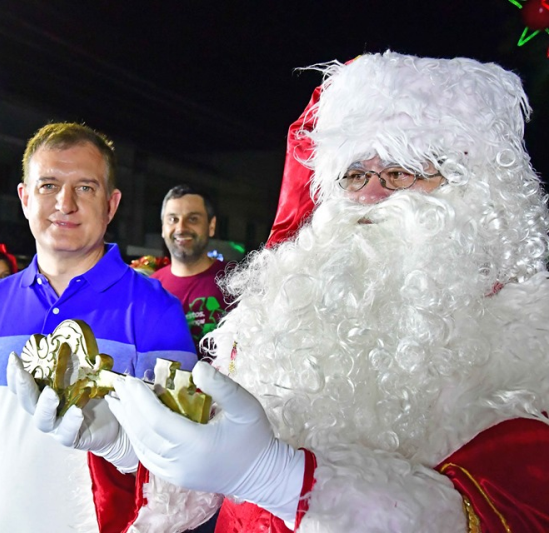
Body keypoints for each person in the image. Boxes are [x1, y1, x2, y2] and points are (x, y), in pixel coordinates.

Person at [106, 52, 549, 532]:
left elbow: (504, 511)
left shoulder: (525, 340)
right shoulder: (284, 310)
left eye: (400, 172)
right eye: (355, 175)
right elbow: (216, 458)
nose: (369, 195)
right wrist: (129, 447)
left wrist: (283, 479)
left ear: (473, 191)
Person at [0, 122, 214, 533]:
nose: (64, 204)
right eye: (48, 185)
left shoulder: (154, 310)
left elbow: (186, 464)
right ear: (25, 198)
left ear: (111, 204)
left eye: (85, 187)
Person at [152, 185, 228, 358]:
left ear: (211, 226)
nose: (181, 228)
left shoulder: (236, 283)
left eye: (193, 219)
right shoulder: (150, 288)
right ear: (163, 228)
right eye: (173, 219)